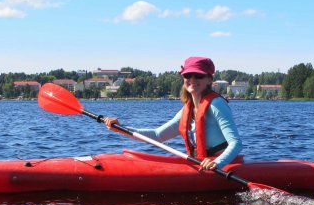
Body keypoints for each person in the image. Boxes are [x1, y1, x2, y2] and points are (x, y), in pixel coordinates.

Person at [103, 56, 242, 171]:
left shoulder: (216, 104)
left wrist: (217, 163)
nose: (192, 79)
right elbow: (157, 135)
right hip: (202, 166)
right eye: (188, 75)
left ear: (209, 79)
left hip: (225, 166)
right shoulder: (186, 111)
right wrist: (121, 129)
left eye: (198, 75)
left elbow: (236, 143)